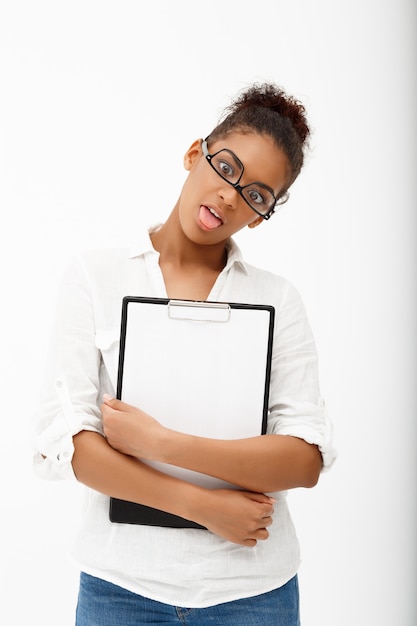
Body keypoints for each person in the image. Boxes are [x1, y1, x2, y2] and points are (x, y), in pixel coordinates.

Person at [32, 82, 336, 625]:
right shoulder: (96, 276)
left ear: (262, 215)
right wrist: (202, 505)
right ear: (195, 154)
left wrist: (160, 442)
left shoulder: (278, 299)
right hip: (119, 588)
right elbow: (73, 447)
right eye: (226, 168)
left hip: (253, 591)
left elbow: (304, 458)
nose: (230, 195)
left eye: (256, 194)